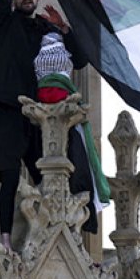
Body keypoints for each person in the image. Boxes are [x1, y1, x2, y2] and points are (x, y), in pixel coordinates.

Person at [0, 0, 88, 252]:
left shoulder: (46, 28)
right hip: (9, 108)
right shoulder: (6, 23)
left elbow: (81, 59)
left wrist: (64, 27)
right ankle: (5, 240)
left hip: (42, 113)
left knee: (48, 174)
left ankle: (59, 238)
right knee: (8, 176)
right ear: (15, 1)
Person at [33, 27, 110, 233]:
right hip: (42, 115)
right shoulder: (32, 35)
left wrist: (66, 30)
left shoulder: (66, 43)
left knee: (79, 166)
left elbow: (82, 58)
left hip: (62, 113)